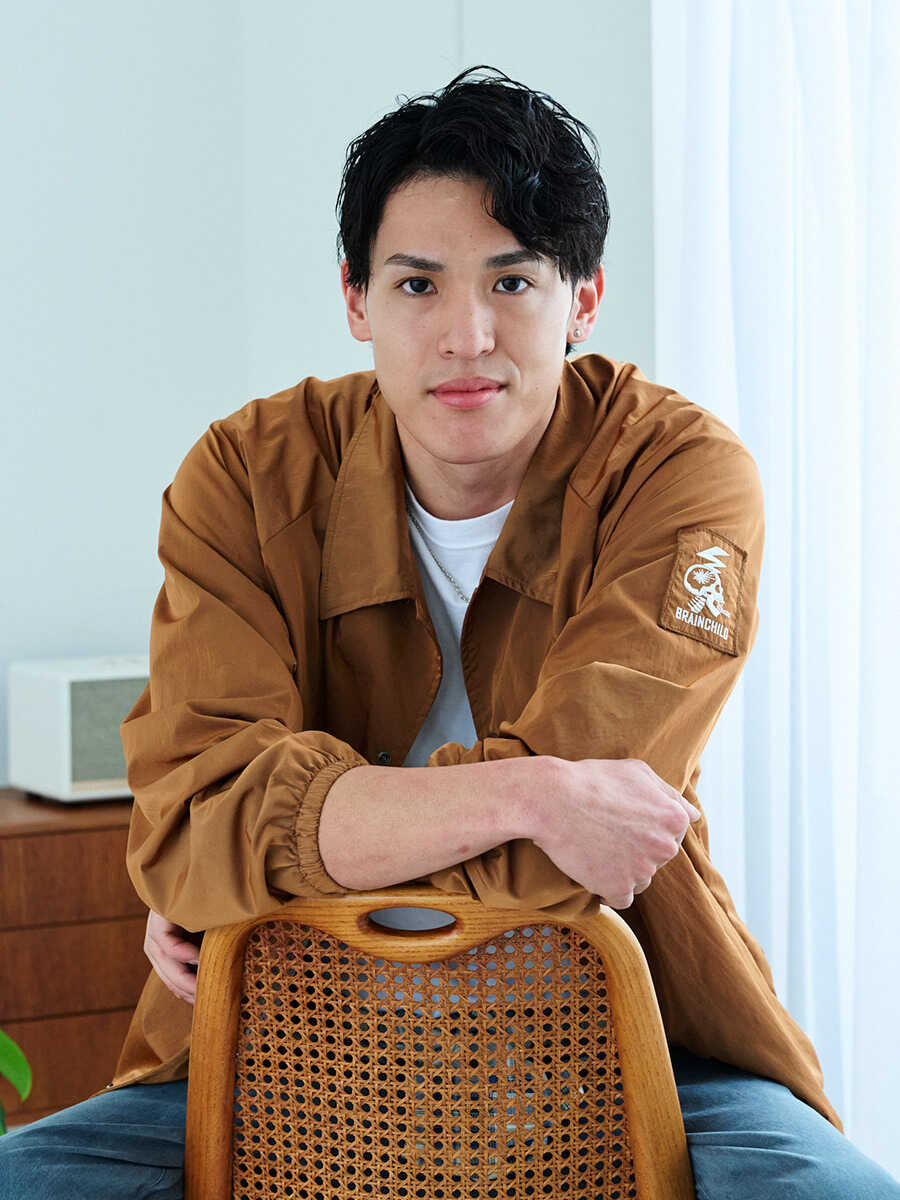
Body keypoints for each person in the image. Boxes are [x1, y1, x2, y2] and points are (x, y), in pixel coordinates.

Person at [2, 65, 898, 1200]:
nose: (467, 335)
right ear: (356, 300)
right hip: (274, 1039)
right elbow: (190, 822)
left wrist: (262, 859)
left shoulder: (678, 473)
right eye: (418, 283)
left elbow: (569, 854)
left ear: (583, 299)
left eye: (512, 281)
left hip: (626, 1033)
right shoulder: (245, 472)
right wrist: (531, 793)